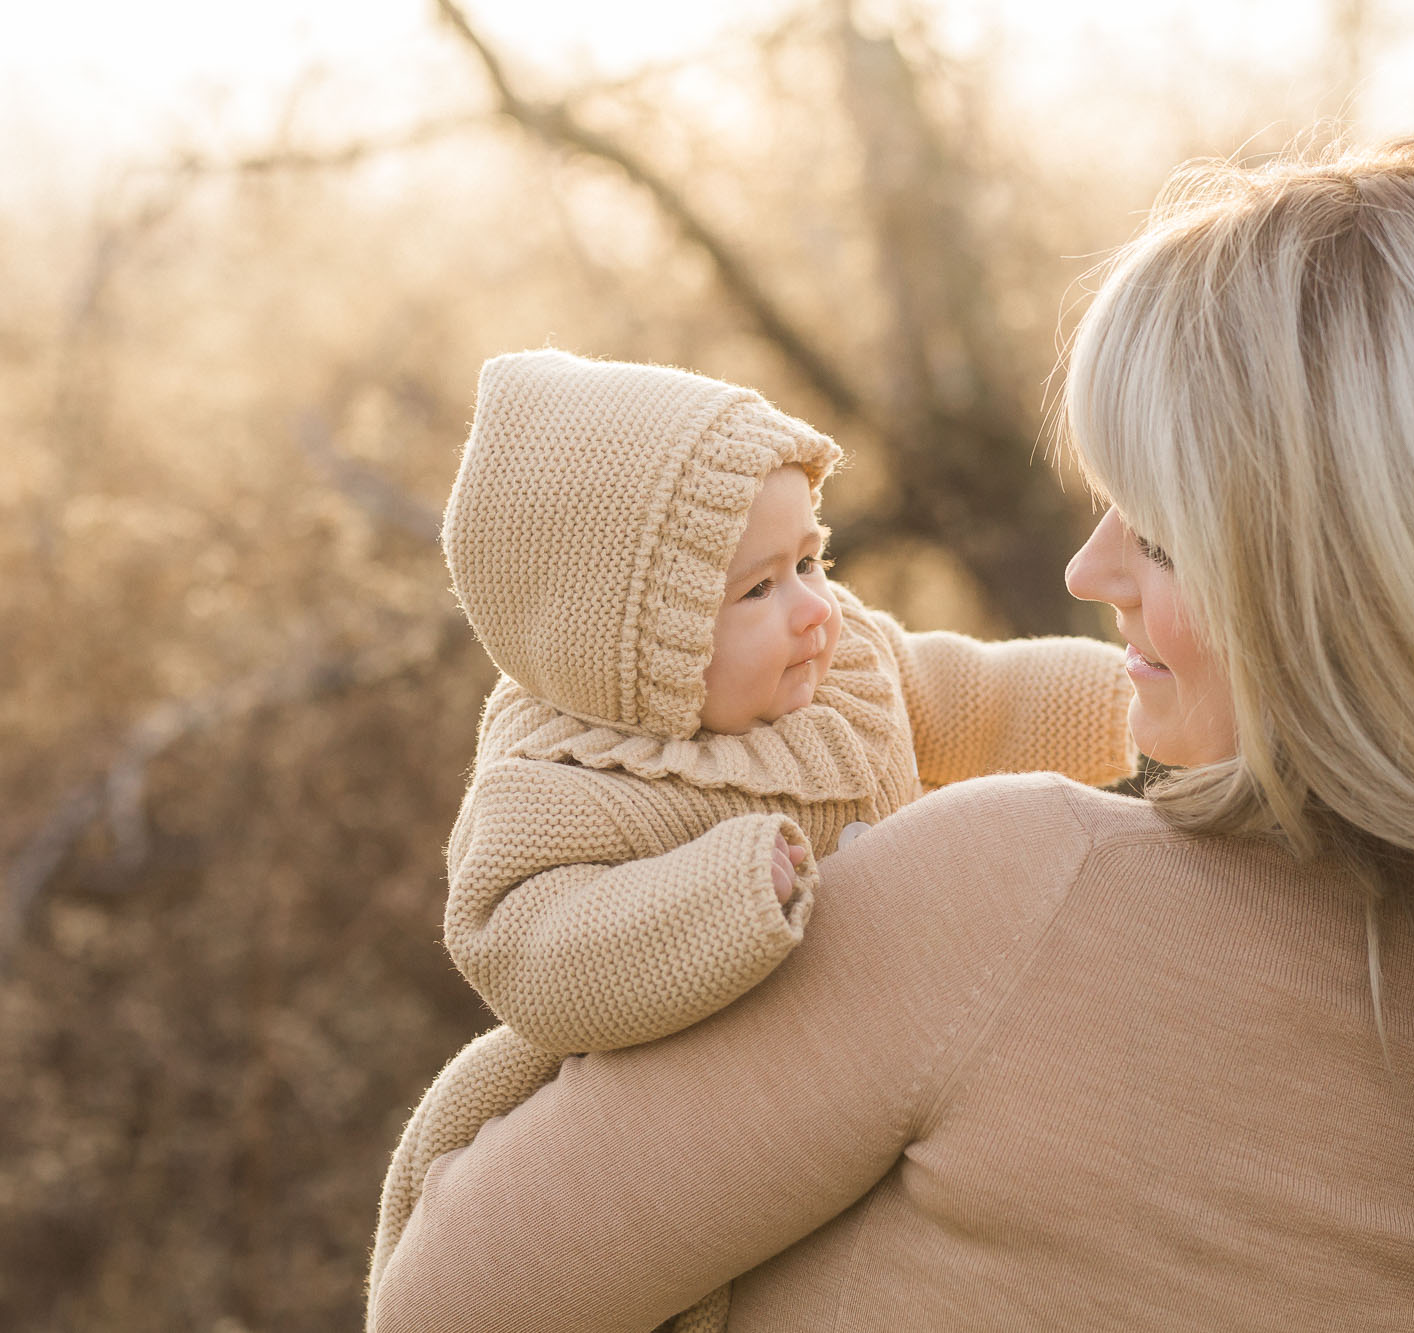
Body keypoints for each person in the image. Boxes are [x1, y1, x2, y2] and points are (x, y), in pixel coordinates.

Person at [370, 134, 1414, 1331]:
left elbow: (446, 1305)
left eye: (1156, 535)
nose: (1089, 572)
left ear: (1377, 594)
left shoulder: (1011, 902)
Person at [366, 349, 1138, 1330]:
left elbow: (975, 697)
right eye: (757, 589)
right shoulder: (563, 782)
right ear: (634, 640)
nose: (814, 606)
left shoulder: (843, 660)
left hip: (881, 1077)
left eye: (812, 560)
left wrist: (1139, 708)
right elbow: (525, 943)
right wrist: (723, 893)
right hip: (665, 1123)